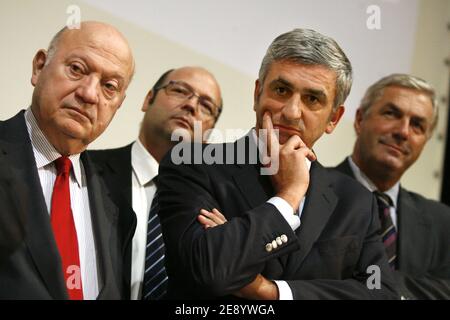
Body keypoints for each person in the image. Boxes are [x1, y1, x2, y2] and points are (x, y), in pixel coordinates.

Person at [157, 28, 398, 299]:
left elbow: (381, 292)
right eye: (282, 90)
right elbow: (211, 271)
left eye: (312, 99)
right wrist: (288, 196)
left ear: (333, 118)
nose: (292, 111)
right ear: (257, 93)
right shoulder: (194, 165)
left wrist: (273, 292)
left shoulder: (355, 201)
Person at [0, 21, 136, 299]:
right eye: (77, 69)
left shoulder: (119, 209)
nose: (88, 93)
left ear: (119, 104)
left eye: (109, 86)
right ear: (39, 67)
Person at [89, 66, 223, 299]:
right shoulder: (86, 170)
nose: (191, 105)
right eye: (180, 91)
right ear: (147, 99)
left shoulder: (217, 209)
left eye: (206, 106)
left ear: (208, 133)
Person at [334, 74, 450, 299]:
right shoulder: (308, 189)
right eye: (391, 114)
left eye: (417, 125)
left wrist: (372, 282)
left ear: (425, 141)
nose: (403, 132)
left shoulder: (443, 222)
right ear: (359, 120)